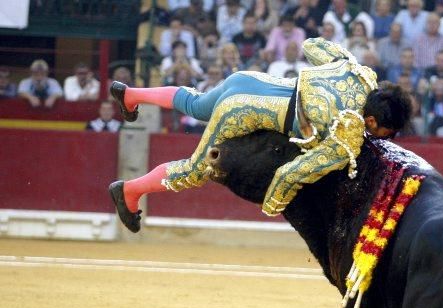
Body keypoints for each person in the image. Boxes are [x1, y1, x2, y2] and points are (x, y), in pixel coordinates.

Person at [108, 38, 389, 233]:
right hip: (240, 110)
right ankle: (130, 190)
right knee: (194, 171)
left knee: (195, 103)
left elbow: (311, 46)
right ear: (373, 120)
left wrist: (343, 61)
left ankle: (131, 95)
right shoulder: (347, 131)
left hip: (248, 79)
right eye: (380, 131)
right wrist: (273, 204)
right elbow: (295, 172)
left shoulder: (355, 73)